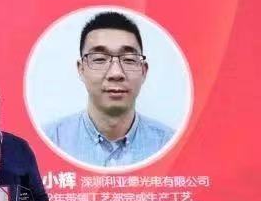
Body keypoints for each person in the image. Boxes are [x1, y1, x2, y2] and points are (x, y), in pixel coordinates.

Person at [43, 11, 175, 167]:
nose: (116, 73)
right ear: (81, 69)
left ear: (144, 70)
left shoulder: (169, 143)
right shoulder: (51, 140)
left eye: (128, 60)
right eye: (100, 59)